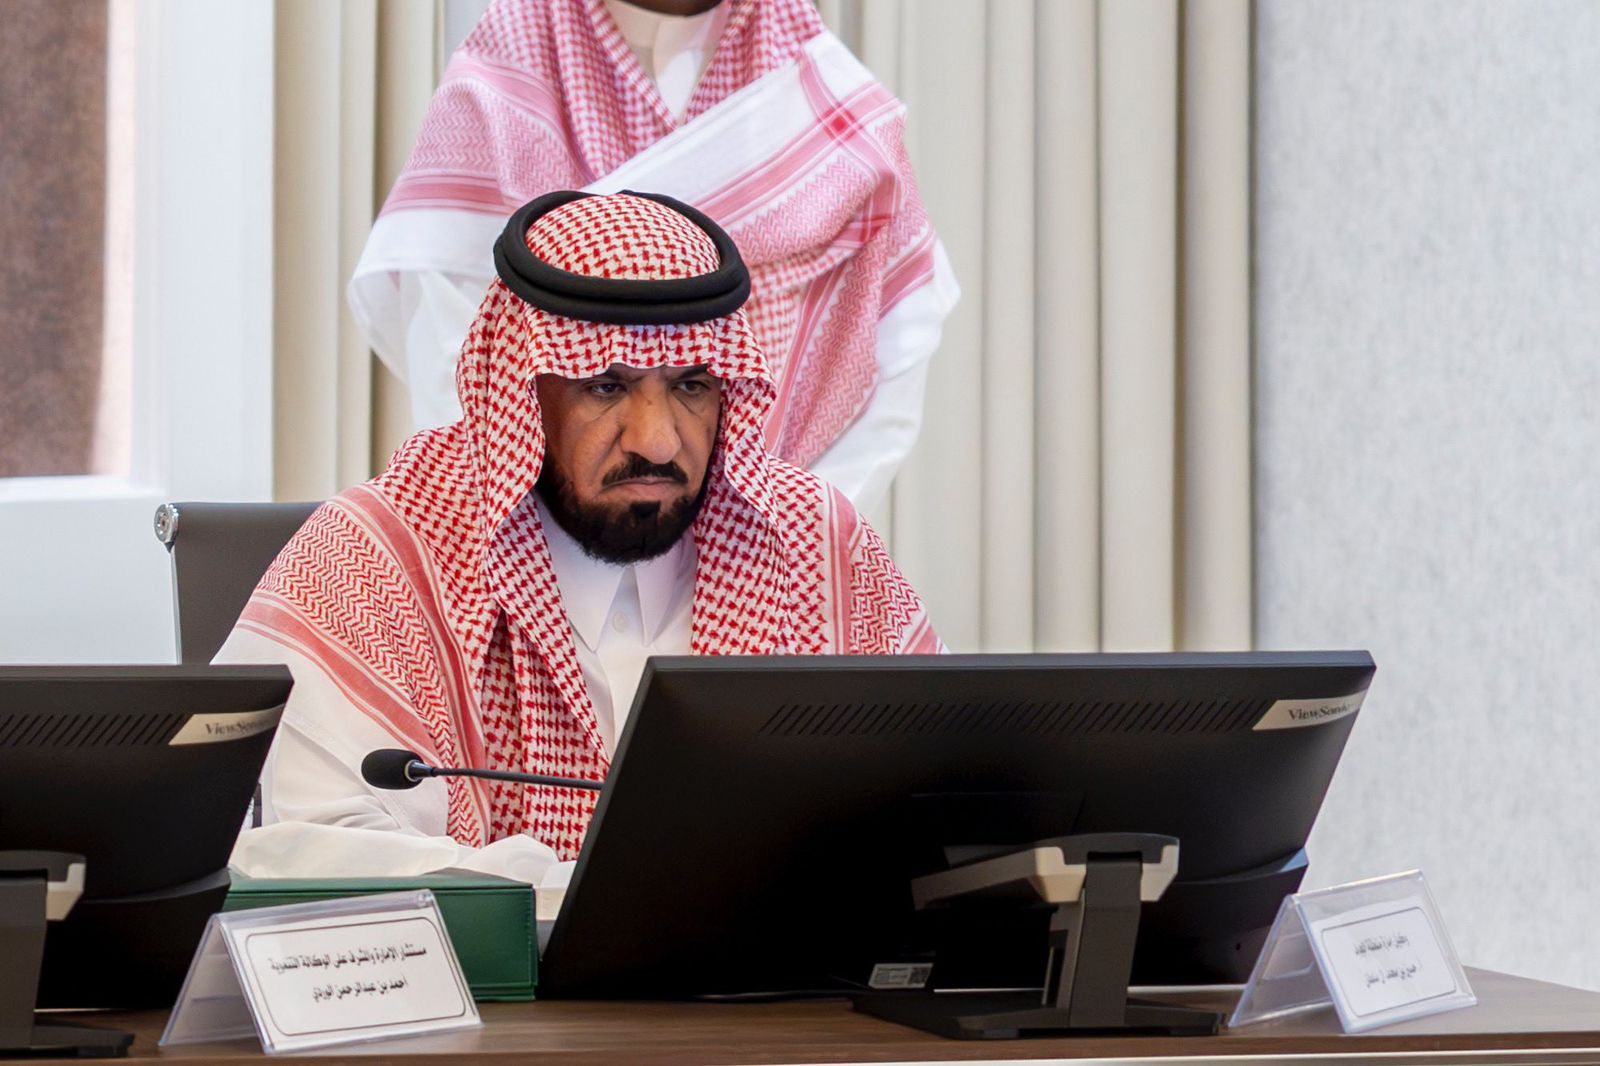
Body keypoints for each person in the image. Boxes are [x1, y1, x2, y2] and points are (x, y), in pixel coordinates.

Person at [222, 191, 941, 886]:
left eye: (691, 386)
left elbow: (942, 800)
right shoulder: (379, 554)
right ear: (522, 391)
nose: (658, 442)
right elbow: (305, 852)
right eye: (605, 386)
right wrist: (580, 895)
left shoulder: (813, 543)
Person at [349, 0, 958, 512]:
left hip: (774, 556)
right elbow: (463, 367)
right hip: (552, 541)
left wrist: (783, 538)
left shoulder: (835, 105)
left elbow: (889, 355)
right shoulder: (497, 90)